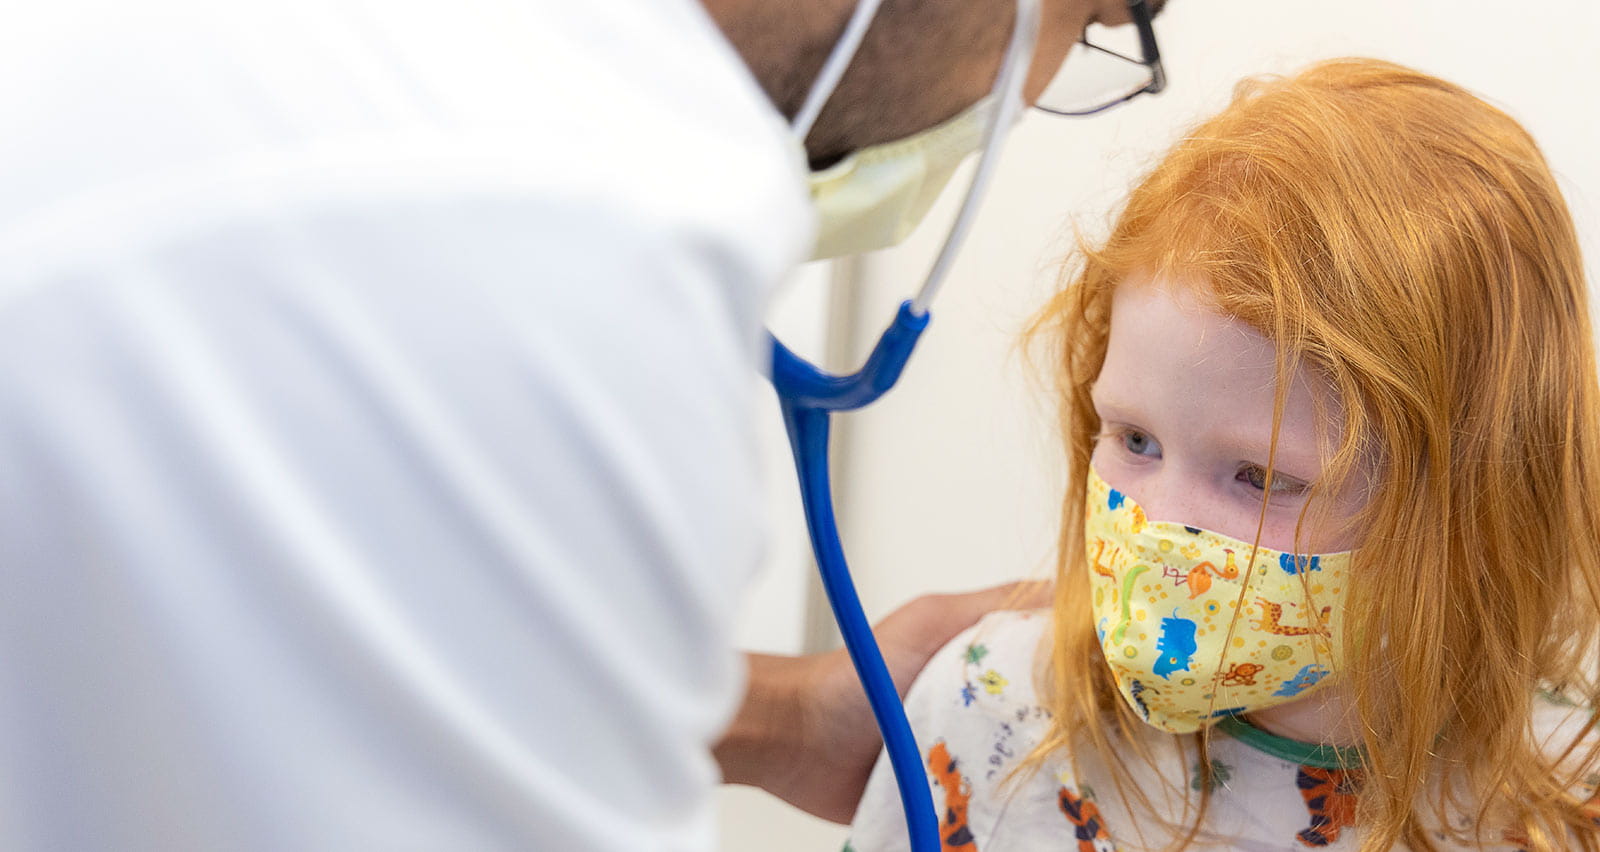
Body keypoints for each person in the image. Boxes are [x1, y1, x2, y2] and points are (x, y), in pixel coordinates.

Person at [0, 0, 1157, 849]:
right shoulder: (557, 239)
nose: (1028, 86)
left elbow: (261, 629)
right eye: (1095, 19)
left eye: (1263, 474)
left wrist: (786, 720)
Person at [845, 58, 1600, 851]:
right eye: (1135, 440)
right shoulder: (990, 709)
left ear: (1476, 501)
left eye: (1259, 477)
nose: (1161, 527)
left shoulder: (1563, 802)